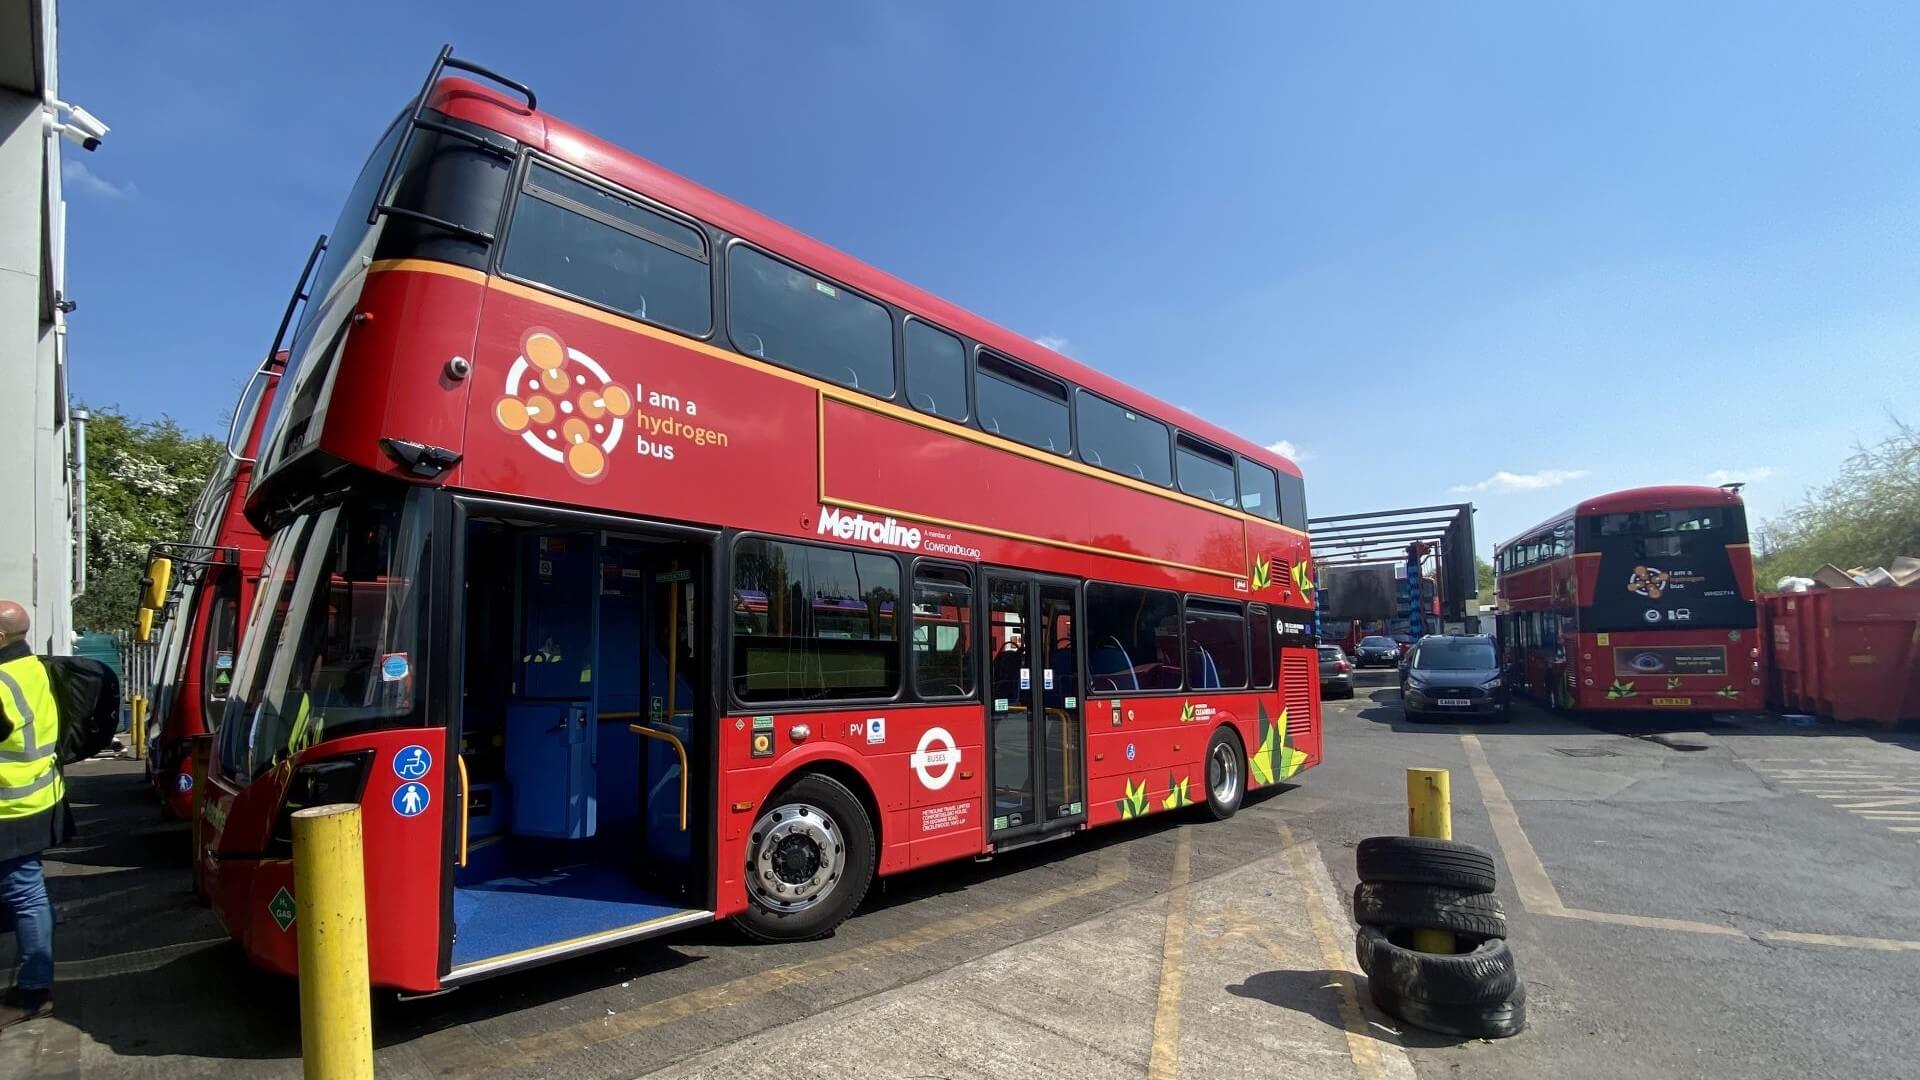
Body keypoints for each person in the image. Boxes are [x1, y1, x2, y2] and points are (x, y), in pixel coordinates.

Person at [0, 599, 58, 1028]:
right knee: (22, 890)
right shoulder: (32, 667)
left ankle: (34, 990)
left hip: (11, 804)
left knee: (23, 892)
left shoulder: (1, 681)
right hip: (37, 796)